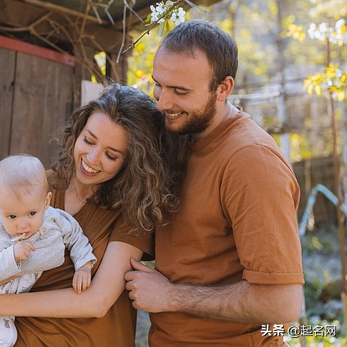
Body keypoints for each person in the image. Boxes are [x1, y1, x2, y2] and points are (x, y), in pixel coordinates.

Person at [0, 83, 179, 347]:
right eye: (88, 140)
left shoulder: (133, 211)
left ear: (131, 161)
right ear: (77, 132)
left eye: (111, 155)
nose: (91, 158)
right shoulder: (34, 189)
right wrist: (14, 262)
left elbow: (97, 301)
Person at [124, 19, 304, 346]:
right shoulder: (180, 133)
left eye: (180, 91)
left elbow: (283, 303)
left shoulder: (251, 162)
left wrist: (172, 296)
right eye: (158, 84)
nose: (162, 102)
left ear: (223, 89)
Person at [0, 154, 96, 347]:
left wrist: (84, 266)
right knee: (5, 338)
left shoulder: (55, 219)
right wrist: (10, 256)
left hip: (15, 306)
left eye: (31, 213)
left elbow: (76, 237)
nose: (22, 225)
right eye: (11, 216)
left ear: (46, 202)